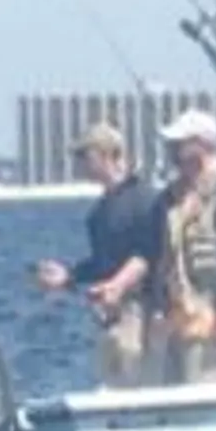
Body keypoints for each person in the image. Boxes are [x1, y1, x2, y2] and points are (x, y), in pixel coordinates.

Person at [113, 107, 216, 386]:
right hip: (177, 317)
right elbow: (160, 253)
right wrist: (159, 305)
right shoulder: (171, 195)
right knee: (171, 387)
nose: (173, 150)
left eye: (180, 144)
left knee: (209, 386)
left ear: (203, 144)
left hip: (213, 313)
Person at [30, 120, 156, 388]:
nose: (80, 164)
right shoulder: (99, 213)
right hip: (109, 316)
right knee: (112, 382)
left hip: (140, 313)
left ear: (110, 156)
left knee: (136, 381)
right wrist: (68, 277)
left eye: (86, 156)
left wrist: (118, 285)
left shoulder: (144, 200)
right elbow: (102, 263)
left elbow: (149, 253)